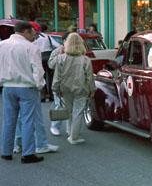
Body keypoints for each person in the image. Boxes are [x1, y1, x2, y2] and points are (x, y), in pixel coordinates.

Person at [0, 21, 45, 163]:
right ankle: (28, 153)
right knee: (27, 120)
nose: (34, 36)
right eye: (32, 33)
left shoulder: (2, 45)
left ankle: (6, 151)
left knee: (8, 120)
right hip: (26, 87)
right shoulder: (31, 48)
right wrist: (40, 85)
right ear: (25, 32)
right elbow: (37, 69)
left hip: (7, 86)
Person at [52, 33, 96, 145]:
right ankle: (74, 137)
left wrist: (56, 90)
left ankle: (69, 132)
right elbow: (89, 78)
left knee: (69, 111)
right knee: (78, 112)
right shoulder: (85, 59)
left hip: (65, 88)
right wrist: (92, 90)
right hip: (81, 88)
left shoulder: (61, 58)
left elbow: (57, 77)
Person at [47, 31, 71, 136]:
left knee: (72, 107)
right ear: (64, 41)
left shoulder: (77, 51)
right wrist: (60, 56)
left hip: (72, 82)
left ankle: (70, 129)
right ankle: (55, 126)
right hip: (60, 82)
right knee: (59, 105)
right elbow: (50, 65)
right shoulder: (57, 51)